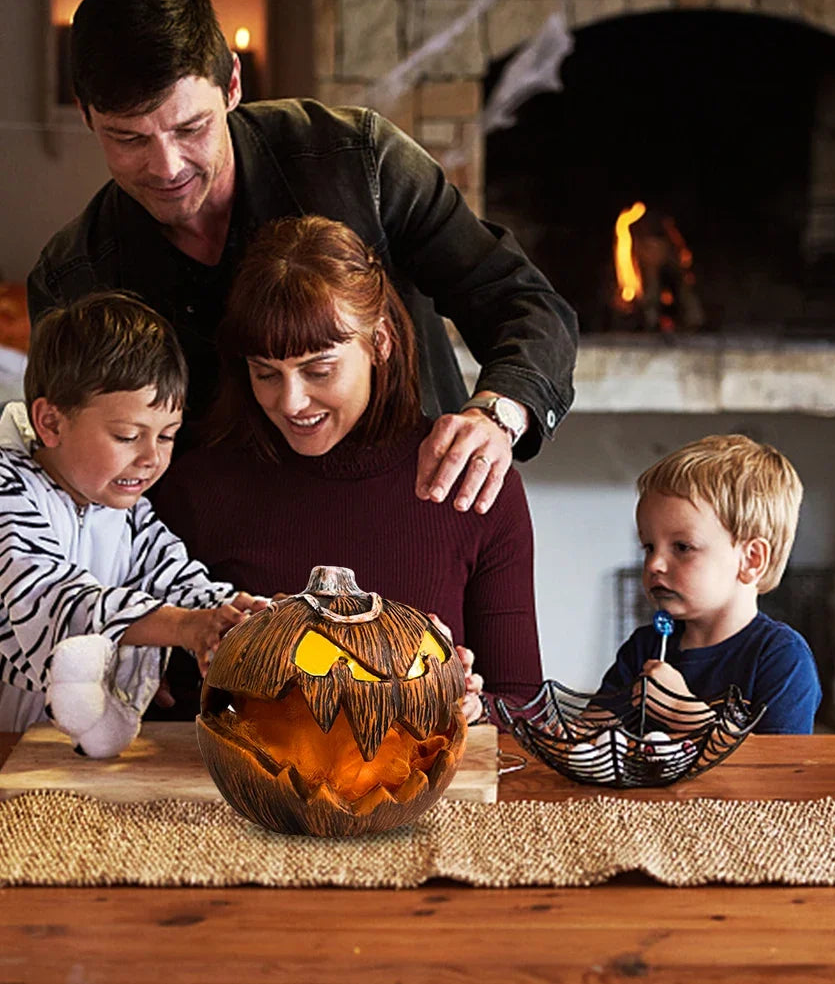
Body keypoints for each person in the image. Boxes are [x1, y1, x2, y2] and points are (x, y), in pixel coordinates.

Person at [27, 0, 578, 517]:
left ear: (233, 85)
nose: (167, 166)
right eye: (129, 139)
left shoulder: (362, 162)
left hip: (419, 513)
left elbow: (524, 303)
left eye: (191, 128)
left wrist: (497, 415)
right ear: (86, 115)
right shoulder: (73, 277)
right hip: (216, 577)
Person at [154, 216, 544, 723]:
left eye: (319, 370)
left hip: (425, 791)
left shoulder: (471, 480)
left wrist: (470, 708)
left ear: (379, 341)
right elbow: (165, 708)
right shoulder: (194, 490)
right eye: (266, 373)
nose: (291, 402)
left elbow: (525, 706)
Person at [0, 291, 268, 756]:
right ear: (50, 422)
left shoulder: (127, 509)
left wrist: (237, 617)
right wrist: (183, 626)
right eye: (127, 436)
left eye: (167, 436)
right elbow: (51, 599)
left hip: (58, 755)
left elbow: (177, 580)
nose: (151, 458)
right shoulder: (7, 489)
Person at [596, 434, 822, 734]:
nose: (654, 564)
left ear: (751, 560)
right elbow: (591, 731)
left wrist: (681, 711)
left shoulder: (782, 658)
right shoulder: (643, 648)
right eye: (649, 547)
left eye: (682, 547)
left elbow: (778, 769)